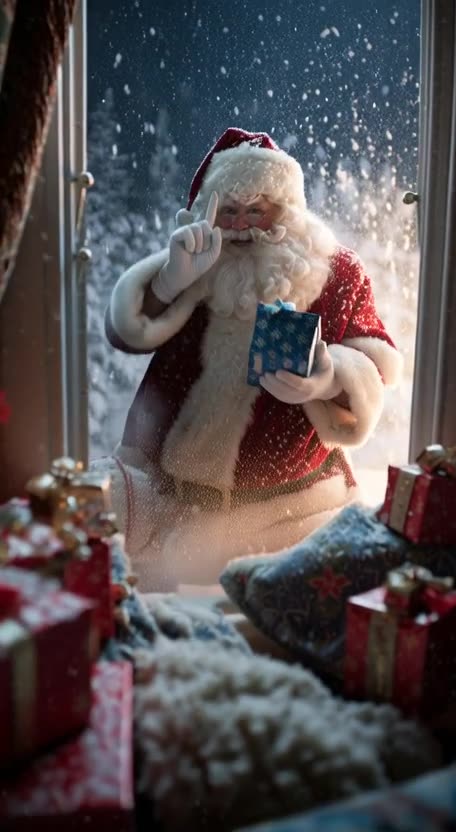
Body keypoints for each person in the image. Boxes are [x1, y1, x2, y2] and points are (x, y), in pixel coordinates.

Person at [103, 127, 402, 590]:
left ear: (284, 210)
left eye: (257, 211)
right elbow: (128, 331)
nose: (241, 225)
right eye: (229, 211)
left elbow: (374, 365)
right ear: (208, 213)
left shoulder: (336, 271)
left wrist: (326, 381)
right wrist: (168, 281)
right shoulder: (196, 264)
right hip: (172, 504)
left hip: (292, 514)